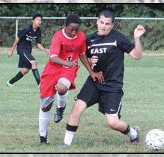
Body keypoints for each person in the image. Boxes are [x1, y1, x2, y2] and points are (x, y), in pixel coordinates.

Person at [61, 9, 146, 146]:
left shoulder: (118, 38)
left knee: (112, 122)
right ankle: (66, 144)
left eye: (107, 24)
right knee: (77, 108)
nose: (104, 26)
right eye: (101, 22)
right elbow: (84, 57)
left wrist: (136, 38)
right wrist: (90, 61)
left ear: (112, 25)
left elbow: (137, 55)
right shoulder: (89, 40)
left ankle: (133, 133)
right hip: (94, 82)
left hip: (112, 85)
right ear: (97, 21)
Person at [39, 14, 104, 144]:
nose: (74, 32)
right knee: (45, 106)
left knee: (62, 88)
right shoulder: (58, 36)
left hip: (68, 69)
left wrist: (91, 72)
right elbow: (52, 57)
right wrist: (68, 63)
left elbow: (82, 54)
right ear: (65, 26)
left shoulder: (81, 36)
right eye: (71, 29)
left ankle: (61, 107)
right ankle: (43, 137)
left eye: (76, 29)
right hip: (52, 70)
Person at [7, 13, 48, 87]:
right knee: (34, 62)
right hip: (21, 49)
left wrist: (46, 50)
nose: (39, 21)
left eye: (40, 20)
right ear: (33, 21)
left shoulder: (38, 31)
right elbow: (17, 39)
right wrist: (11, 50)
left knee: (25, 70)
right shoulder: (27, 29)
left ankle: (10, 82)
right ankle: (40, 84)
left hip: (28, 50)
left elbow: (38, 45)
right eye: (37, 20)